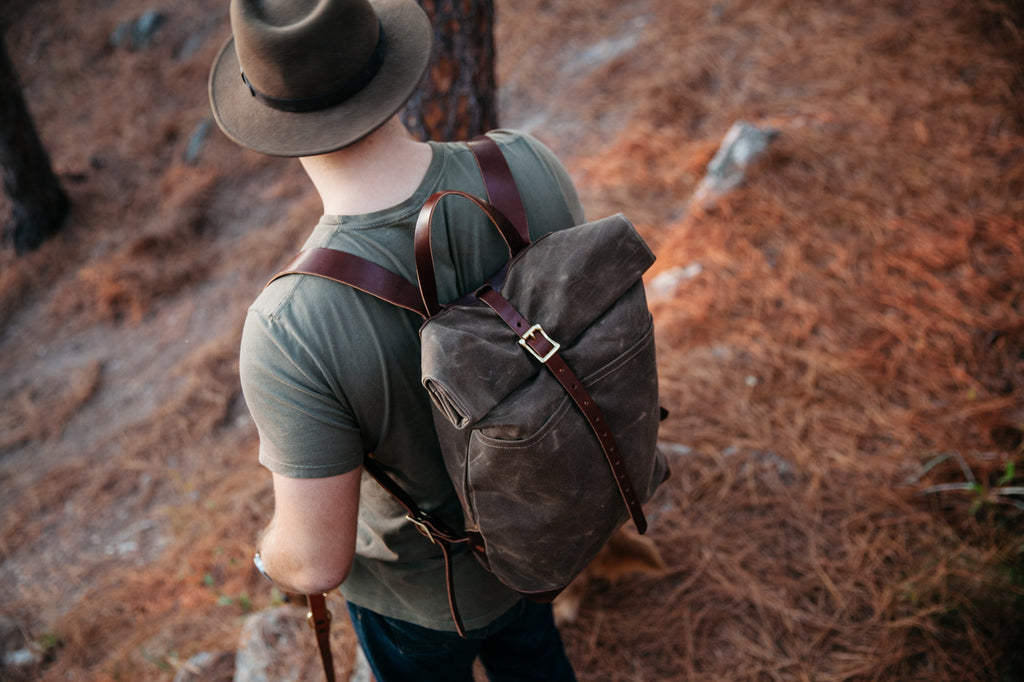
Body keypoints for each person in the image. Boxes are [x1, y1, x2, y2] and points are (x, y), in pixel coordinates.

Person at [208, 0, 583, 679]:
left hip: (422, 602)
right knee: (536, 658)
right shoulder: (524, 166)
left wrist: (268, 556)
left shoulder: (289, 328)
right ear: (386, 57)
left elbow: (317, 561)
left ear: (269, 116)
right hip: (547, 525)